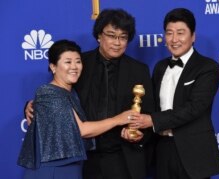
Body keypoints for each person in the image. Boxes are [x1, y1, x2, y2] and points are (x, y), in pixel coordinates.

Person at [25, 9, 155, 179]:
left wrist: (139, 135)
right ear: (99, 36)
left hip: (123, 158)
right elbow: (57, 92)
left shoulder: (139, 70)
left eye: (123, 37)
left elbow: (149, 113)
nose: (117, 42)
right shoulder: (79, 64)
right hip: (84, 159)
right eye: (111, 35)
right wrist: (31, 106)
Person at [18, 39, 139, 179]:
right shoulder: (48, 92)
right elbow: (82, 130)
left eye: (78, 61)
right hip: (52, 170)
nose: (74, 66)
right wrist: (119, 119)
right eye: (68, 62)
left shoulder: (71, 92)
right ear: (53, 67)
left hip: (71, 166)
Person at [132, 8, 219, 179]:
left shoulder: (207, 67)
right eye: (169, 33)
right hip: (163, 149)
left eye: (180, 33)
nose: (174, 39)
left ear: (193, 36)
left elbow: (195, 107)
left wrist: (153, 120)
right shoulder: (160, 67)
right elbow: (152, 105)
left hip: (194, 152)